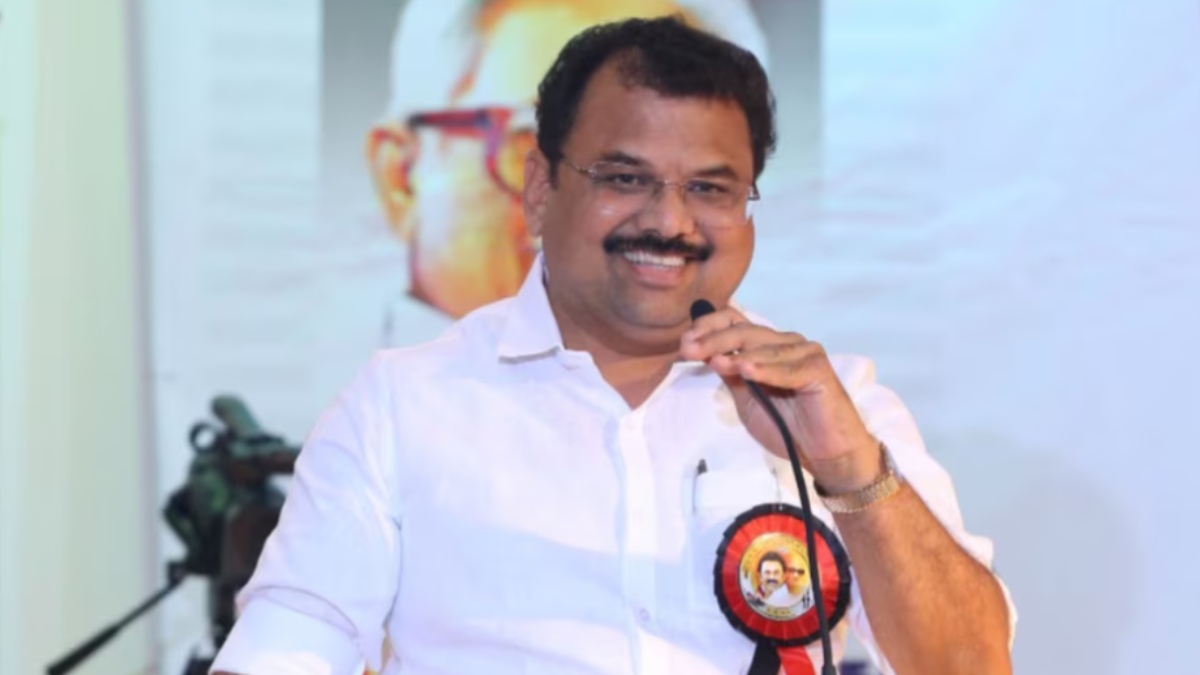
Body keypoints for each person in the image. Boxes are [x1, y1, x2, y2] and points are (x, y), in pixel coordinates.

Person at [214, 16, 1016, 675]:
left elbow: (972, 664)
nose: (669, 220)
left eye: (710, 187)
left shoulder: (836, 401)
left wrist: (849, 470)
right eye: (625, 178)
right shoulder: (402, 405)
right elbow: (288, 645)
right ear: (541, 188)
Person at [365, 0, 768, 341]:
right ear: (400, 175)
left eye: (705, 183)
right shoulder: (378, 401)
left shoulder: (779, 393)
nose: (665, 222)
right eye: (540, 142)